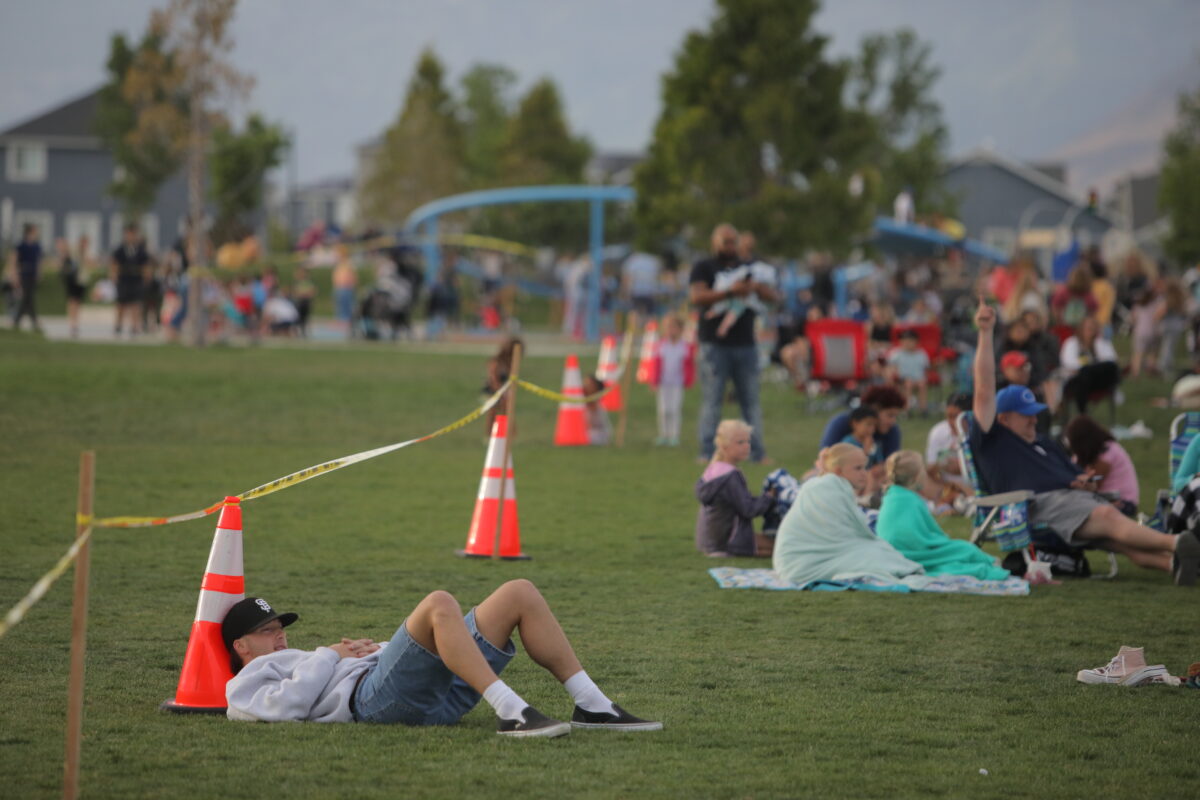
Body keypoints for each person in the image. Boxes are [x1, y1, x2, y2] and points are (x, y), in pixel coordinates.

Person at [221, 585, 661, 735]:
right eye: (267, 631)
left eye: (280, 627)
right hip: (374, 704)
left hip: (416, 694)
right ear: (241, 647)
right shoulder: (248, 680)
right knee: (438, 603)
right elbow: (287, 707)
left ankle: (593, 705)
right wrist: (329, 655)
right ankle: (513, 712)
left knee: (518, 592)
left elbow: (322, 674)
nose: (279, 635)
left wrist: (368, 651)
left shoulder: (293, 655)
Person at [969, 295, 1198, 584]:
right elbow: (984, 387)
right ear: (1002, 418)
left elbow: (1070, 472)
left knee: (1120, 540)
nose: (1033, 419)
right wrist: (986, 332)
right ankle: (1178, 544)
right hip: (1035, 506)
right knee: (1110, 520)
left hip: (1070, 500)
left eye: (1034, 412)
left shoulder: (1041, 442)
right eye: (1025, 414)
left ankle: (1175, 567)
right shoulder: (993, 440)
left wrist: (1080, 481)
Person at [772, 444, 924, 585]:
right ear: (839, 471)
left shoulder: (831, 485)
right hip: (800, 564)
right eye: (858, 468)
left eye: (865, 467)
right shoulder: (828, 487)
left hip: (793, 562)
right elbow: (842, 536)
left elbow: (844, 532)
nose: (865, 474)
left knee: (880, 550)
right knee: (878, 554)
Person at [690, 223, 778, 463]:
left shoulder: (751, 268)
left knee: (750, 401)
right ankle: (708, 450)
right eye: (725, 241)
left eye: (733, 241)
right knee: (712, 399)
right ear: (715, 243)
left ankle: (756, 451)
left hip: (746, 343)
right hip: (714, 344)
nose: (730, 246)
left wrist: (757, 289)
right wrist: (731, 292)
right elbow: (697, 296)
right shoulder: (704, 267)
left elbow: (775, 297)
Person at [875, 451, 1010, 580]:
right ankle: (993, 563)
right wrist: (944, 543)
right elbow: (932, 534)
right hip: (914, 554)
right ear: (916, 477)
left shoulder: (890, 497)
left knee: (960, 550)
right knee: (964, 549)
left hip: (891, 553)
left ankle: (991, 563)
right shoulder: (913, 501)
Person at [694, 419, 773, 557]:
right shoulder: (730, 476)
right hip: (728, 542)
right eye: (740, 442)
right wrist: (769, 497)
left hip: (709, 542)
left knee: (776, 548)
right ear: (724, 446)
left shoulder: (713, 469)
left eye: (748, 441)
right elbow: (748, 509)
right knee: (782, 546)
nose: (747, 446)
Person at [1062, 415, 1139, 515]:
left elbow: (1092, 486)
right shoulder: (1090, 453)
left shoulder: (1108, 453)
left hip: (1123, 503)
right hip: (1104, 500)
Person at [819, 385, 906, 465]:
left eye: (895, 417)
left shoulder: (892, 431)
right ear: (874, 409)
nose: (893, 421)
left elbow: (891, 465)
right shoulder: (841, 423)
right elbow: (827, 458)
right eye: (890, 415)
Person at [1059, 317, 1120, 418]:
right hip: (1077, 380)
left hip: (1098, 379)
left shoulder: (1101, 343)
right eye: (1088, 329)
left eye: (1093, 329)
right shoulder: (1071, 343)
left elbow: (1112, 360)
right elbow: (1069, 363)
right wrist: (1088, 366)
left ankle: (1083, 416)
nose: (1091, 332)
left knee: (1107, 368)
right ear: (1081, 329)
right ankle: (1083, 416)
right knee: (1085, 374)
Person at [651, 313, 694, 446]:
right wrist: (654, 380)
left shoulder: (685, 347)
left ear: (680, 330)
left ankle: (674, 435)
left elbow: (690, 365)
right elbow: (655, 364)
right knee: (663, 410)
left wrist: (688, 379)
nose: (671, 331)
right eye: (668, 327)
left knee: (674, 409)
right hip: (664, 382)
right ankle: (664, 434)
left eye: (674, 327)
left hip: (677, 383)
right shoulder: (661, 346)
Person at [110, 222, 151, 336]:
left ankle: (134, 326)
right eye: (128, 234)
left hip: (136, 279)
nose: (130, 236)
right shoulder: (120, 249)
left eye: (132, 234)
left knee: (136, 304)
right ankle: (118, 325)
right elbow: (114, 264)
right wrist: (114, 276)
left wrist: (147, 276)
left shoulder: (140, 250)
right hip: (123, 279)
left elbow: (146, 265)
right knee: (121, 303)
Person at [925, 392, 971, 491]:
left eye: (956, 417)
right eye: (949, 416)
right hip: (948, 489)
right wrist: (941, 463)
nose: (951, 422)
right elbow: (930, 471)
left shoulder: (979, 434)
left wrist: (963, 467)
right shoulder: (938, 432)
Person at [7, 223, 42, 332]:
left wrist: (39, 273)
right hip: (24, 273)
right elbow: (14, 260)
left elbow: (39, 261)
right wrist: (14, 275)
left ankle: (18, 320)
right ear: (30, 232)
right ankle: (33, 320)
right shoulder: (21, 245)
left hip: (32, 274)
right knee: (27, 296)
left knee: (28, 297)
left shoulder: (37, 246)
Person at [888, 329, 930, 412]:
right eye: (904, 341)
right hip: (903, 378)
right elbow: (891, 366)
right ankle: (907, 409)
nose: (907, 344)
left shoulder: (921, 353)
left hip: (918, 378)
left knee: (922, 384)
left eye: (910, 341)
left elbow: (926, 368)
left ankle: (923, 408)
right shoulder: (896, 353)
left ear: (916, 342)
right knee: (909, 384)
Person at [56, 237, 87, 338]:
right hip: (71, 281)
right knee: (72, 301)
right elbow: (62, 267)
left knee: (77, 302)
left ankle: (75, 323)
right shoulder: (70, 254)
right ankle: (72, 323)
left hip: (80, 281)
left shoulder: (82, 255)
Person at [582, 374, 612, 446]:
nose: (585, 386)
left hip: (598, 435)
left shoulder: (597, 405)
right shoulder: (582, 402)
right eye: (585, 383)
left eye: (589, 384)